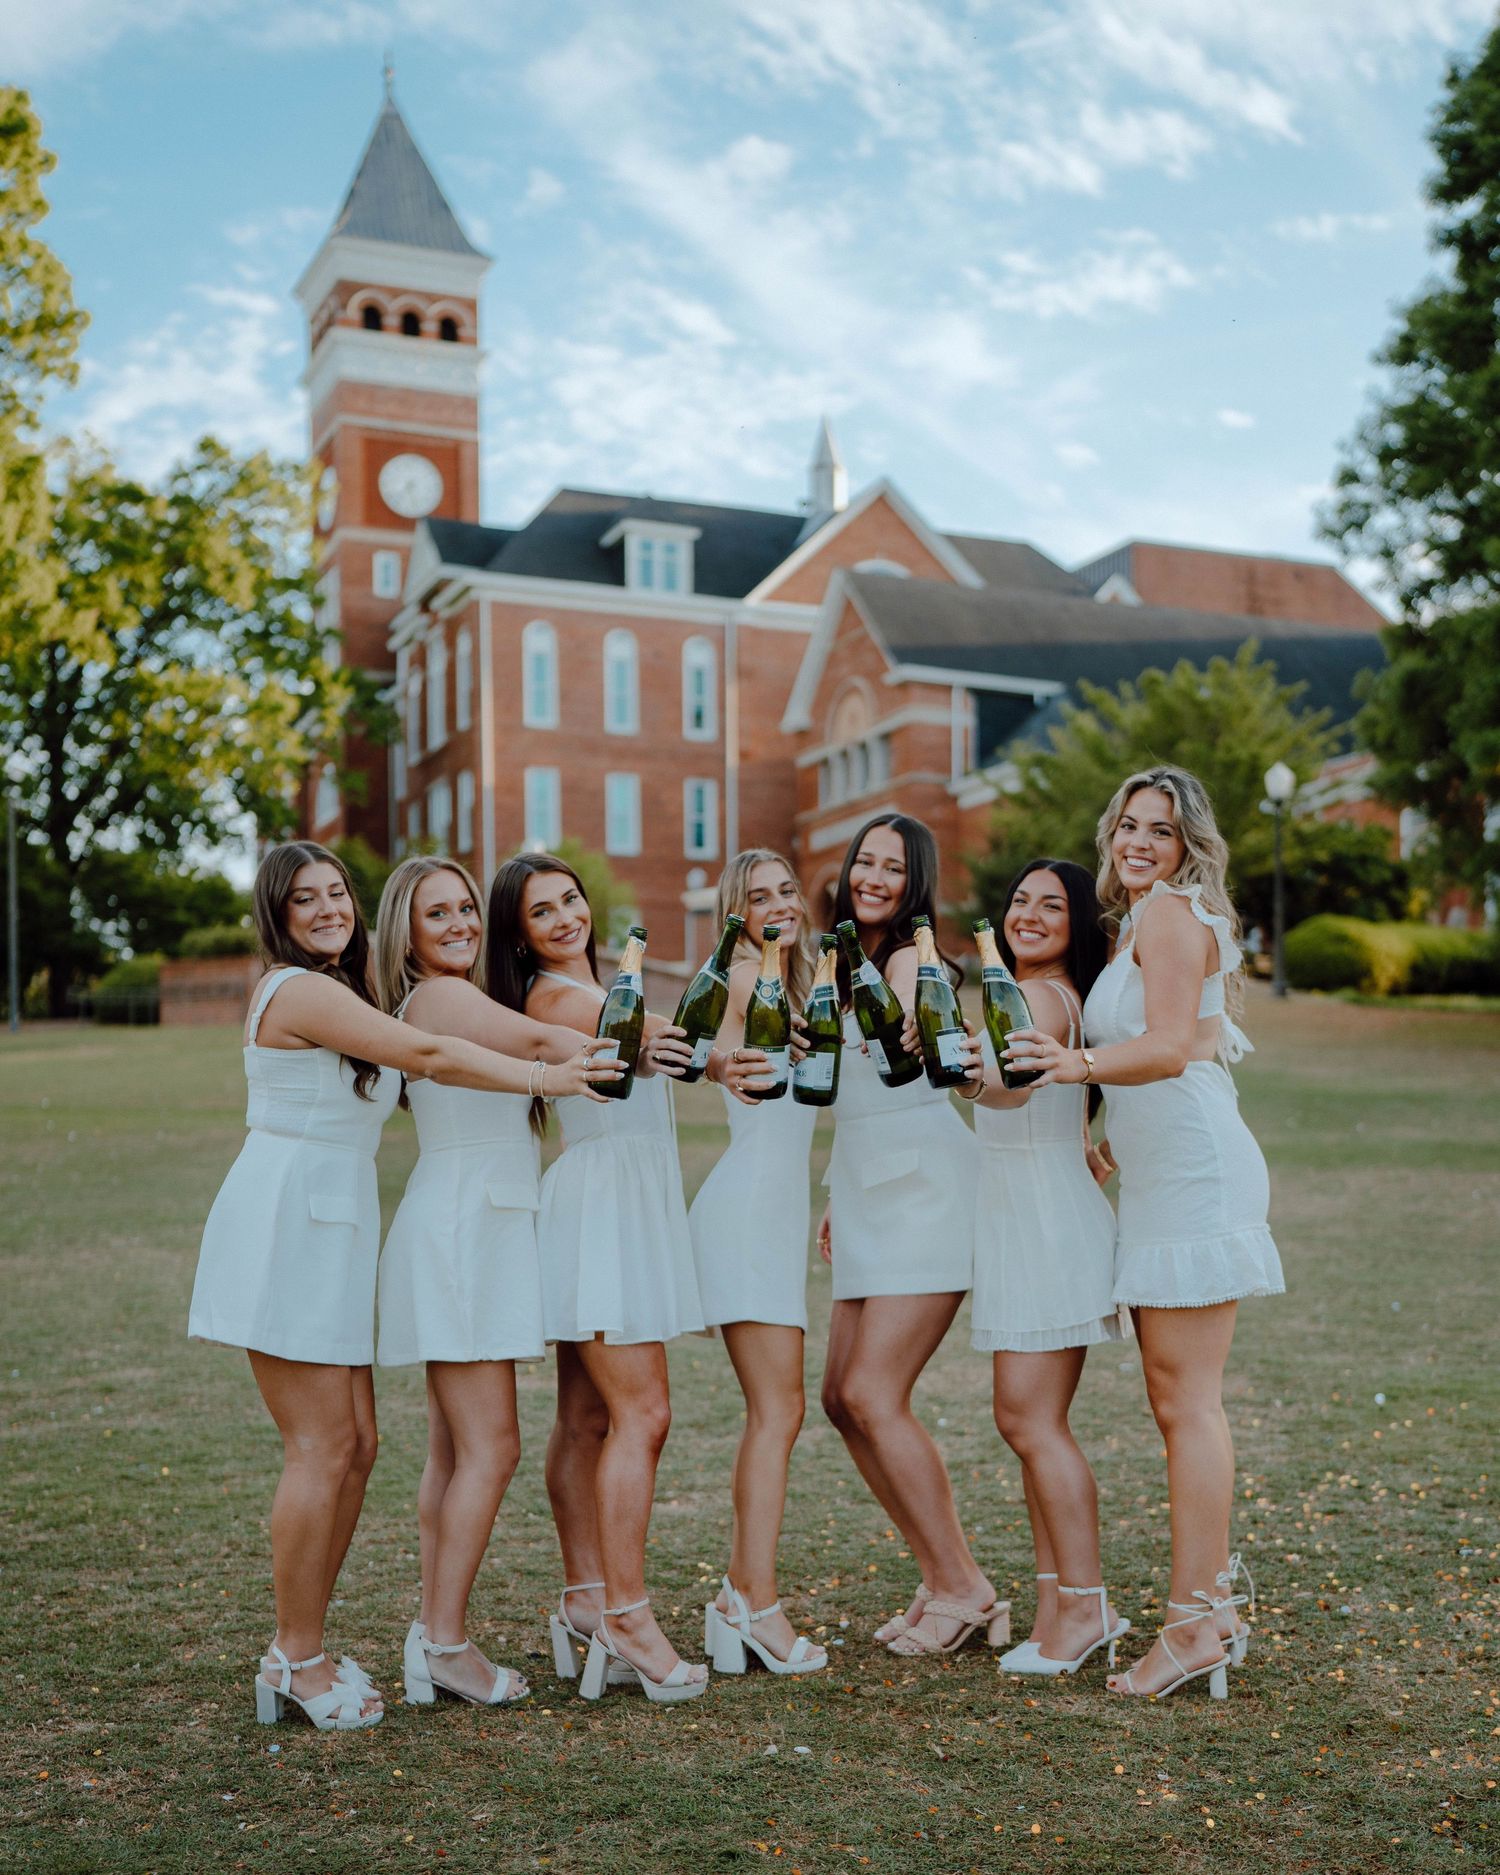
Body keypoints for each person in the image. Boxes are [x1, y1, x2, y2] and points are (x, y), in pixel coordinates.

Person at [188, 842, 612, 1732]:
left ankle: (312, 1645)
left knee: (358, 1445)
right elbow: (427, 1049)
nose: (326, 907)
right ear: (278, 914)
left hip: (333, 1227)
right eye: (304, 898)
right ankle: (296, 1656)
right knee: (321, 1449)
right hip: (288, 1222)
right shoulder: (299, 990)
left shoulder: (342, 993)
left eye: (336, 890)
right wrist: (547, 1073)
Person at [1009, 767, 1283, 1700]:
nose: (1139, 843)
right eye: (1129, 825)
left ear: (1186, 844)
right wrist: (1111, 1141)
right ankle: (1209, 1612)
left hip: (1197, 1181)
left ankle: (1193, 1622)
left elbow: (1167, 1047)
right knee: (1179, 1401)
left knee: (1187, 1403)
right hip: (1165, 1173)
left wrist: (1070, 1063)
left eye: (1160, 831)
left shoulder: (1169, 912)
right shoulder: (1142, 923)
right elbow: (1198, 1043)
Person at [372, 855, 619, 1709]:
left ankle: (434, 1629)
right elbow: (546, 1041)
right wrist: (648, 1041)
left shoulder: (458, 995)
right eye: (436, 913)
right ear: (404, 928)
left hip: (472, 1219)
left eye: (468, 909)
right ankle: (445, 1643)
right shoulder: (438, 998)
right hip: (467, 1227)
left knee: (451, 1453)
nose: (459, 924)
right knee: (491, 1446)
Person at [487, 852, 709, 1704]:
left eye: (570, 898)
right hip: (604, 1204)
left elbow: (651, 1037)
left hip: (620, 1197)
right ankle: (628, 1614)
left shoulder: (609, 984)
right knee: (643, 1413)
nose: (564, 917)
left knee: (585, 1418)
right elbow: (646, 1038)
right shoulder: (557, 998)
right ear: (522, 933)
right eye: (541, 911)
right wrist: (723, 1058)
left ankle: (586, 1598)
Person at [817, 813, 1005, 1659]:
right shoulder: (844, 950)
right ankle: (939, 1575)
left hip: (924, 1190)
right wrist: (834, 1193)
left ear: (915, 880)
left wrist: (927, 1026)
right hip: (864, 1187)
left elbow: (927, 1049)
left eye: (895, 867)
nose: (875, 876)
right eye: (866, 860)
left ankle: (964, 1584)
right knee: (838, 1398)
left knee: (871, 1393)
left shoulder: (905, 957)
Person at [968, 859, 1127, 1677]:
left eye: (1051, 904)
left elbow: (1009, 1090)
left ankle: (1087, 1605)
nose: (1028, 913)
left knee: (1032, 1422)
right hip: (1030, 1218)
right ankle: (1054, 1605)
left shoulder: (1037, 998)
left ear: (1077, 926)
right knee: (1029, 1425)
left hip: (1041, 1226)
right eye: (1020, 899)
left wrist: (965, 1069)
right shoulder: (1035, 994)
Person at [689, 850, 827, 1677]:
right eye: (757, 897)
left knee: (779, 1409)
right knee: (777, 1410)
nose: (778, 904)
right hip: (746, 1212)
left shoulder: (791, 975)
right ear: (734, 914)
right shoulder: (746, 976)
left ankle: (745, 1596)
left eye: (786, 890)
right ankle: (753, 1604)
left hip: (770, 1210)